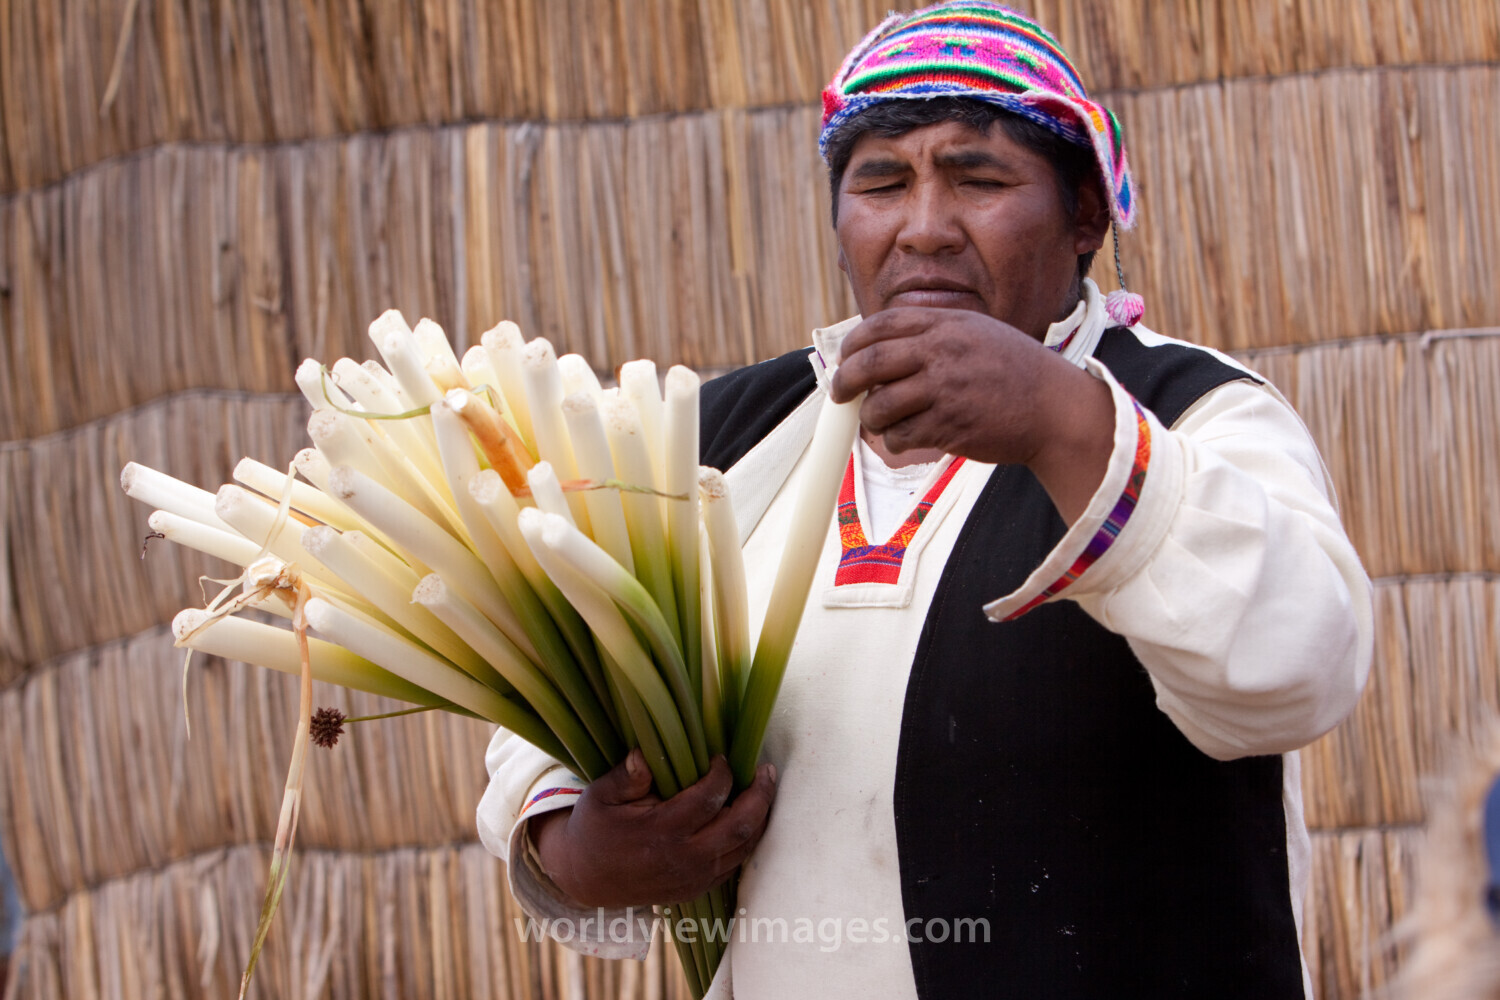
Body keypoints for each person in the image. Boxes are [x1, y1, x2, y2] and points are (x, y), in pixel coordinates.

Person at [477, 3, 1372, 997]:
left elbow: (1299, 666)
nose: (923, 227)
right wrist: (577, 847)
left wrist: (1059, 422)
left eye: (978, 178)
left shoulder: (1191, 415)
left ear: (1083, 215)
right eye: (882, 182)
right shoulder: (713, 437)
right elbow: (549, 697)